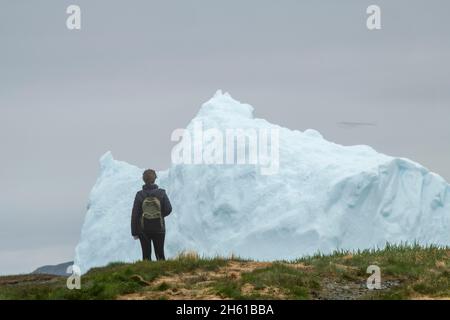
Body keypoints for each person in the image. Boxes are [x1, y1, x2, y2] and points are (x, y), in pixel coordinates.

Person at [131, 169, 172, 261]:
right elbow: (169, 209)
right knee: (160, 254)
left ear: (143, 180)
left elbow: (135, 215)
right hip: (159, 228)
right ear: (155, 179)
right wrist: (160, 215)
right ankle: (163, 274)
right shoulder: (162, 193)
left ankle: (146, 274)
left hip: (143, 229)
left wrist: (134, 232)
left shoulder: (139, 195)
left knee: (146, 255)